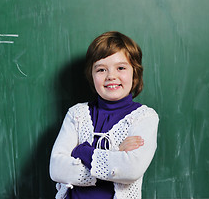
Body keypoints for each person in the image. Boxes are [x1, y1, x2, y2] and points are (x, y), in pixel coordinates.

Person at [49, 31, 159, 199]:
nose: (111, 76)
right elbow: (56, 168)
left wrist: (81, 151)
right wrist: (116, 156)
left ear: (134, 72)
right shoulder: (77, 114)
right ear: (91, 75)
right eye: (101, 69)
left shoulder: (144, 117)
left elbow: (130, 170)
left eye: (121, 68)